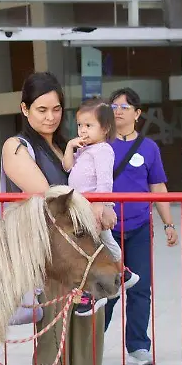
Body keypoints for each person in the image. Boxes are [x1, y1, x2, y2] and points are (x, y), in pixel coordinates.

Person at [1, 71, 114, 365]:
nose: (50, 117)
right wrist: (95, 204)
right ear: (24, 109)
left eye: (56, 109)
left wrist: (105, 206)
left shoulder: (73, 147)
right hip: (44, 261)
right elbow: (48, 194)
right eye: (41, 109)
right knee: (53, 343)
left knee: (88, 342)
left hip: (82, 258)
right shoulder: (16, 147)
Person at [103, 88, 177, 365]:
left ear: (137, 113)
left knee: (139, 287)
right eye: (114, 105)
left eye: (124, 106)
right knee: (106, 287)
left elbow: (157, 186)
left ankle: (137, 345)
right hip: (106, 229)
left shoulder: (149, 147)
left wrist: (169, 223)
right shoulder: (101, 144)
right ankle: (94, 343)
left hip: (139, 228)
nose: (118, 110)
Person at [60, 99, 135, 316]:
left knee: (102, 243)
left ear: (105, 129)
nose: (83, 130)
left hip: (93, 207)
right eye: (80, 125)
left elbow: (105, 181)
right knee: (91, 247)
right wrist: (70, 146)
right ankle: (120, 275)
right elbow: (67, 167)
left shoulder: (102, 150)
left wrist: (102, 205)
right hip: (80, 209)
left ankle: (121, 273)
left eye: (89, 126)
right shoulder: (84, 150)